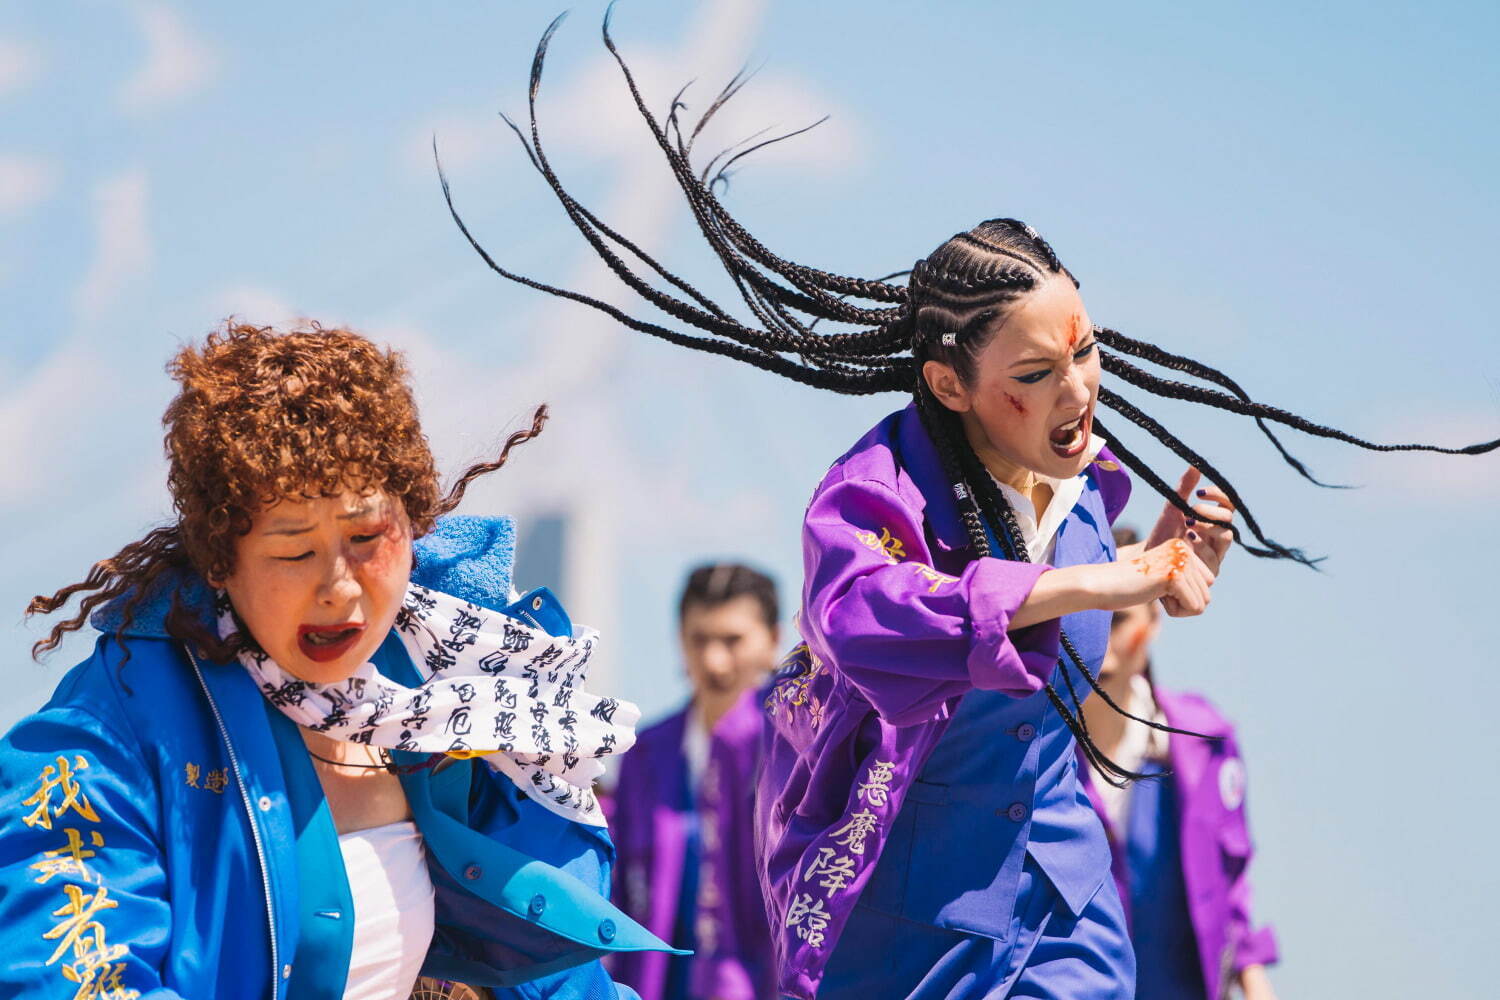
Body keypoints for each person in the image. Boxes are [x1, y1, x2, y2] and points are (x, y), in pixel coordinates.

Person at [434, 15, 1499, 996]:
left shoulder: (1093, 490)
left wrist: (1168, 577)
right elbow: (870, 620)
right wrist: (1098, 579)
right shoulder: (874, 493)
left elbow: (1080, 696)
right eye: (1036, 371)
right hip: (913, 917)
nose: (1078, 389)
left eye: (1085, 352)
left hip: (1069, 902)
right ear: (950, 385)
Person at [0, 322, 679, 1000]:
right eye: (293, 551)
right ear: (219, 561)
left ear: (413, 525)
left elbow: (566, 986)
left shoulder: (453, 693)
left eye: (365, 537)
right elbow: (69, 974)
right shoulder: (113, 730)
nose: (338, 587)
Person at [1079, 528, 1278, 1000]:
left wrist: (1253, 980)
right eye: (1089, 619)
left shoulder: (1204, 741)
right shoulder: (1028, 749)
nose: (1104, 638)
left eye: (1120, 619)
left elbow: (1231, 881)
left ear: (1155, 618)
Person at [609, 564, 781, 1000]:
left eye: (732, 640)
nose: (713, 660)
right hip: (659, 982)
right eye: (699, 639)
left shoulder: (795, 749)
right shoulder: (646, 750)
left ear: (774, 641)